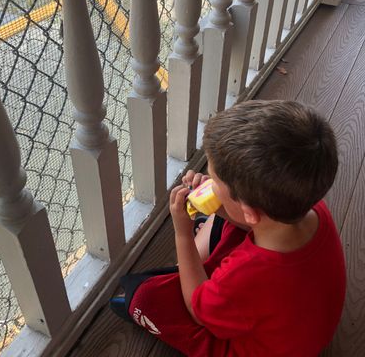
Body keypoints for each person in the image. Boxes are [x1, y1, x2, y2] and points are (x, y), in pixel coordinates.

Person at [110, 100, 346, 357]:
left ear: (248, 211)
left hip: (253, 348)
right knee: (223, 222)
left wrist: (183, 234)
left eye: (215, 181)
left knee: (145, 297)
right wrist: (222, 203)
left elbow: (196, 310)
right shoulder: (309, 207)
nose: (210, 184)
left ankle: (162, 283)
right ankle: (200, 257)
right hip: (298, 324)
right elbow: (250, 221)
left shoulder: (246, 273)